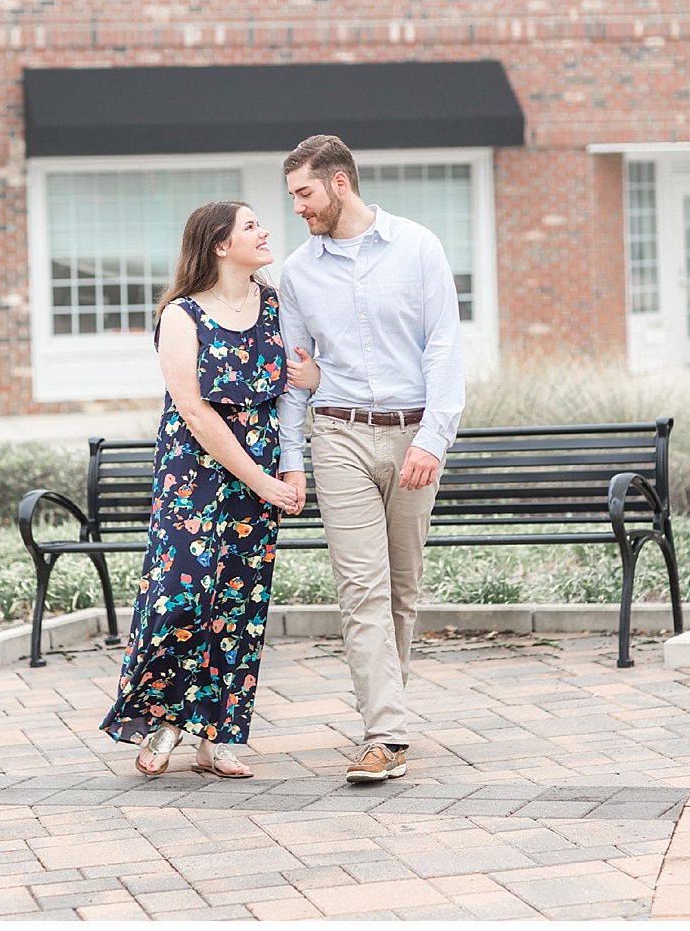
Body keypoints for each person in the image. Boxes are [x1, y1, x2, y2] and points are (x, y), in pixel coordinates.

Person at [101, 200, 317, 779]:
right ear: (220, 244)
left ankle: (218, 738)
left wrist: (312, 385)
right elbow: (194, 411)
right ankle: (165, 721)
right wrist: (263, 480)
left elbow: (297, 386)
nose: (265, 230)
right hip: (193, 478)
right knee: (180, 598)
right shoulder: (182, 314)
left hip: (262, 479)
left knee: (239, 605)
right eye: (251, 226)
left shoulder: (275, 307)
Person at [275, 134, 465, 783]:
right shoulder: (297, 273)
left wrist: (433, 439)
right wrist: (291, 455)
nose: (297, 208)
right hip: (339, 437)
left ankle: (388, 723)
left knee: (402, 591)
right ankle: (384, 734)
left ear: (339, 184)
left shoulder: (418, 248)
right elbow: (295, 375)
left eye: (304, 194)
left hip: (413, 435)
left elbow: (444, 347)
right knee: (362, 591)